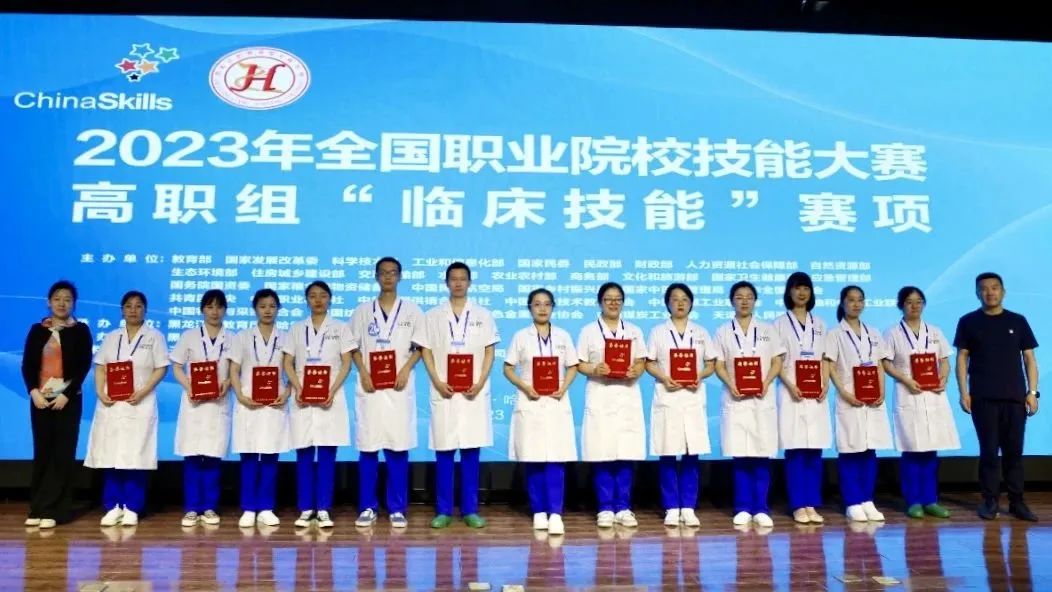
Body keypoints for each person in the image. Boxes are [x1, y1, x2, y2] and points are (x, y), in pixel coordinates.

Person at [419, 262, 500, 529]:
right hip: (444, 391)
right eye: (453, 279)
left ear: (469, 282)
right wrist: (437, 380)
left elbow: (489, 351)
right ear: (446, 283)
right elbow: (425, 351)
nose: (458, 283)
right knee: (444, 453)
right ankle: (443, 510)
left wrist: (480, 381)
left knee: (471, 454)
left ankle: (470, 509)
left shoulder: (483, 315)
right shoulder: (432, 316)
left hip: (472, 392)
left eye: (462, 279)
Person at [954, 272, 1039, 522]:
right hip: (983, 398)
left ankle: (1017, 502)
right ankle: (989, 501)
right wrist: (963, 392)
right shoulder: (968, 321)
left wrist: (1032, 392)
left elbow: (1029, 358)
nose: (989, 292)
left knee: (1014, 452)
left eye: (994, 287)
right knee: (989, 452)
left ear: (1003, 291)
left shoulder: (1018, 321)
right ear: (977, 293)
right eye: (984, 288)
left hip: (1015, 398)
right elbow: (962, 358)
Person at [348, 257, 425, 529]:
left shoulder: (412, 311)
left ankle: (397, 508)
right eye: (383, 273)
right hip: (370, 386)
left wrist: (405, 369)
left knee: (397, 447)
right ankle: (367, 506)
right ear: (376, 276)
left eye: (393, 273)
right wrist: (363, 372)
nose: (388, 277)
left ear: (400, 277)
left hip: (398, 387)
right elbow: (353, 347)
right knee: (368, 448)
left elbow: (421, 347)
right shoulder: (362, 311)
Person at [85, 290, 169, 526]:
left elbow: (161, 368)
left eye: (138, 305)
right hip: (112, 404)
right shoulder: (112, 337)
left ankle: (132, 506)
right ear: (122, 310)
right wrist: (100, 391)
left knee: (136, 456)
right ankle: (113, 506)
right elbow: (100, 366)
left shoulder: (155, 337)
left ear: (145, 310)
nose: (133, 310)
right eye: (129, 306)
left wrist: (143, 391)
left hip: (139, 403)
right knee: (111, 455)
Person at [504, 288, 579, 536]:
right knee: (534, 459)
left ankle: (555, 512)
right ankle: (538, 511)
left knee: (556, 460)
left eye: (547, 304)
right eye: (537, 304)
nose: (542, 308)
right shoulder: (520, 337)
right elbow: (508, 368)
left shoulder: (563, 336)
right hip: (531, 402)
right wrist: (525, 387)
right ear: (530, 308)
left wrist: (564, 387)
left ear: (553, 307)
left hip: (556, 402)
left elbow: (572, 366)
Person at [20, 280, 93, 528]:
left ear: (74, 304)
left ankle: (57, 510)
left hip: (68, 400)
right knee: (42, 452)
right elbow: (28, 365)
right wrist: (34, 392)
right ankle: (37, 508)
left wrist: (67, 394)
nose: (62, 303)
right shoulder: (37, 330)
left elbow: (83, 365)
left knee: (63, 453)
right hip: (40, 399)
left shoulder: (80, 330)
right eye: (58, 299)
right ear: (49, 302)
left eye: (68, 299)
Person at [882, 286, 959, 519]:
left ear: (924, 304)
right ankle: (914, 500)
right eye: (909, 302)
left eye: (918, 301)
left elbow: (944, 360)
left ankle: (931, 500)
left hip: (933, 395)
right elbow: (886, 363)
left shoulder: (934, 331)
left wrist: (943, 378)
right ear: (901, 305)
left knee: (930, 451)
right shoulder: (892, 332)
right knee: (911, 450)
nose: (914, 306)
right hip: (908, 393)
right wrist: (906, 379)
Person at [282, 281, 354, 529]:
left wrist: (331, 390)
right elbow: (288, 362)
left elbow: (347, 363)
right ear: (306, 300)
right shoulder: (296, 329)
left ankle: (323, 508)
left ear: (330, 299)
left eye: (323, 296)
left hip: (330, 397)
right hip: (302, 396)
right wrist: (298, 388)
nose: (318, 300)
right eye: (313, 296)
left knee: (326, 456)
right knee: (303, 454)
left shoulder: (341, 328)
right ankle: (305, 508)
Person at [644, 283, 717, 528]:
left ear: (691, 303)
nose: (680, 303)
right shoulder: (658, 332)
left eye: (685, 299)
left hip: (692, 397)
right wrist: (664, 377)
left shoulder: (701, 332)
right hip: (669, 395)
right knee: (667, 453)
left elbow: (710, 363)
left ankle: (688, 506)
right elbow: (649, 363)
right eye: (675, 299)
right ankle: (671, 507)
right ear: (667, 304)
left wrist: (700, 375)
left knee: (690, 453)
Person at [576, 282, 647, 528]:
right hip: (601, 394)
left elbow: (642, 361)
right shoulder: (588, 331)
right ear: (600, 302)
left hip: (627, 395)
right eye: (608, 299)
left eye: (618, 299)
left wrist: (636, 370)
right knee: (602, 453)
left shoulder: (634, 330)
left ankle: (624, 507)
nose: (613, 303)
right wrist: (595, 369)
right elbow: (580, 363)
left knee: (626, 454)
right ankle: (605, 507)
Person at [713, 281, 785, 528]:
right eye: (739, 297)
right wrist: (730, 383)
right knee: (741, 455)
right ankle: (743, 507)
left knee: (762, 455)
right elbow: (719, 364)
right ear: (732, 301)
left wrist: (766, 381)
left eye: (749, 297)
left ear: (755, 301)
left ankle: (761, 507)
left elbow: (777, 360)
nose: (744, 301)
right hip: (736, 399)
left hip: (761, 398)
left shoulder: (767, 329)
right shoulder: (723, 331)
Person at [826, 285, 892, 522]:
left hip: (872, 399)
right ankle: (852, 501)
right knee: (850, 450)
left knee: (869, 450)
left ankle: (867, 499)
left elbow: (879, 364)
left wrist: (882, 390)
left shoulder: (873, 333)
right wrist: (843, 392)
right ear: (842, 303)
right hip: (850, 398)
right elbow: (830, 366)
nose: (856, 304)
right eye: (851, 300)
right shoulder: (834, 334)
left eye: (860, 300)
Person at [227, 288, 291, 528]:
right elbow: (234, 370)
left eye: (272, 306)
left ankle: (266, 507)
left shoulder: (286, 338)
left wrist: (287, 393)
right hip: (249, 403)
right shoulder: (242, 337)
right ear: (255, 308)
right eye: (263, 306)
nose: (267, 310)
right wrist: (240, 396)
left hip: (274, 404)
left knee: (270, 457)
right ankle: (248, 508)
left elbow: (293, 371)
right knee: (249, 457)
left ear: (278, 309)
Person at [773, 272, 832, 525]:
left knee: (814, 450)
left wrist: (825, 383)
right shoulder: (779, 324)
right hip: (791, 392)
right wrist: (790, 385)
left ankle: (812, 503)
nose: (802, 292)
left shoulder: (820, 324)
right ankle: (798, 504)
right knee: (796, 450)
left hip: (816, 393)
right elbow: (777, 361)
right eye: (797, 288)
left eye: (806, 288)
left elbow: (825, 358)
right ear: (789, 292)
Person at [171, 289, 232, 527]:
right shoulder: (189, 336)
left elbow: (235, 369)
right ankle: (191, 507)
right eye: (209, 306)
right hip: (194, 405)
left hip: (218, 404)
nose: (214, 311)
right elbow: (177, 366)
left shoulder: (233, 338)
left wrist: (227, 383)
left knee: (213, 457)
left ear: (225, 310)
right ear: (202, 310)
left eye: (219, 306)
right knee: (193, 458)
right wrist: (189, 387)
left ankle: (209, 506)